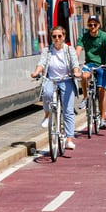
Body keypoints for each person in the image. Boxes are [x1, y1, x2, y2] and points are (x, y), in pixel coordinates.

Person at [31, 27, 80, 158]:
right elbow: (41, 63)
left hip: (66, 80)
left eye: (59, 36)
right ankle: (47, 115)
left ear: (64, 37)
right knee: (46, 94)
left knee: (68, 110)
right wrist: (36, 72)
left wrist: (76, 72)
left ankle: (69, 139)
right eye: (54, 36)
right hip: (51, 79)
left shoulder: (69, 50)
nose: (57, 39)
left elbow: (75, 63)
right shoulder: (47, 50)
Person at [78, 15, 106, 123]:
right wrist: (74, 65)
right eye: (90, 24)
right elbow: (77, 51)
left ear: (99, 25)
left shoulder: (105, 36)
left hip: (103, 65)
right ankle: (85, 98)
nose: (92, 26)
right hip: (89, 64)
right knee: (84, 76)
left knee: (101, 91)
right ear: (87, 25)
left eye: (95, 24)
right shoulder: (83, 37)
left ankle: (102, 119)